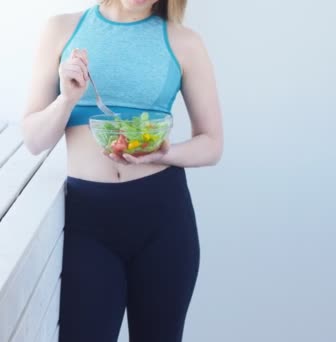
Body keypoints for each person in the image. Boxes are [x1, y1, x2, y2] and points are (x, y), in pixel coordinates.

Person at [21, 0, 223, 341]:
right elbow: (34, 139)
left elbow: (212, 144)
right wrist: (67, 99)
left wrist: (166, 152)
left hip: (163, 219)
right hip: (87, 222)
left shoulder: (184, 42)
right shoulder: (61, 30)